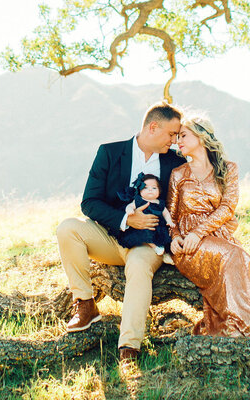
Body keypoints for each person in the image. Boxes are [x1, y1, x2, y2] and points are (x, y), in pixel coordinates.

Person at [56, 102, 186, 363]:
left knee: (138, 266)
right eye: (171, 134)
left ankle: (129, 346)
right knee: (67, 228)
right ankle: (85, 304)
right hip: (109, 236)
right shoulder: (109, 152)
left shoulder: (175, 162)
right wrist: (128, 219)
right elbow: (89, 203)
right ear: (153, 127)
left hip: (148, 245)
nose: (174, 141)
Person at [168, 114, 250, 336]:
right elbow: (171, 215)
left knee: (241, 259)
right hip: (189, 244)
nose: (179, 141)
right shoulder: (178, 174)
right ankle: (248, 326)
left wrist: (200, 232)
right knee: (232, 256)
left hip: (219, 236)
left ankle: (238, 323)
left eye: (184, 135)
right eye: (177, 137)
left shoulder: (228, 169)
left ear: (202, 137)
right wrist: (176, 237)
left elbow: (227, 208)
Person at [115, 173, 174, 255]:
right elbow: (130, 206)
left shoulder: (160, 203)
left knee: (163, 238)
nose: (150, 190)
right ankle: (154, 246)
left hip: (157, 226)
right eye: (146, 188)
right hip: (141, 226)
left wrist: (169, 221)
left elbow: (166, 213)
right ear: (140, 190)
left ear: (159, 191)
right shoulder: (139, 200)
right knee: (145, 234)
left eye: (154, 188)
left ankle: (164, 252)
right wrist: (130, 210)